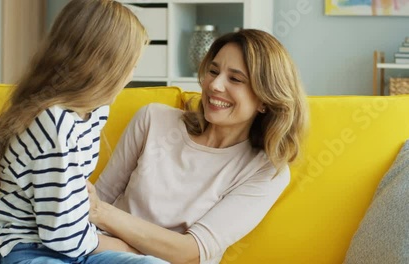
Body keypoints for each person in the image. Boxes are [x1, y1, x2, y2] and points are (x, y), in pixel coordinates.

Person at [88, 29, 309, 264]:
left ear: (265, 100)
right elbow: (97, 201)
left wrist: (103, 216)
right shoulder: (153, 119)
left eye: (235, 79)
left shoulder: (265, 172)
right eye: (213, 71)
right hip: (97, 254)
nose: (214, 84)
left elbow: (189, 252)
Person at [0, 0, 166, 263]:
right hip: (26, 250)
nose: (131, 75)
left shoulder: (94, 110)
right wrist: (124, 247)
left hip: (75, 246)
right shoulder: (52, 123)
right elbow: (62, 235)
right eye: (130, 65)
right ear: (104, 66)